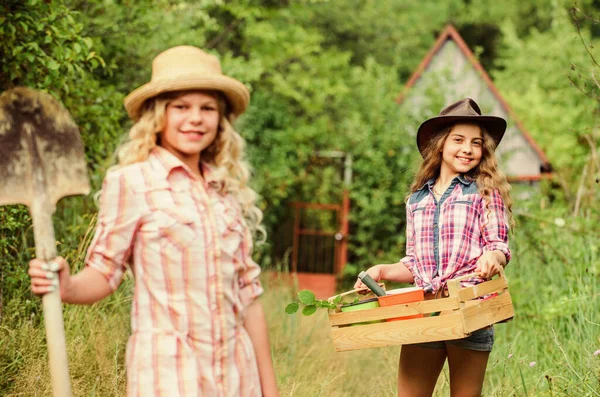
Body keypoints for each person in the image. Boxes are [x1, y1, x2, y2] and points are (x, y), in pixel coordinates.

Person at [28, 45, 279, 397]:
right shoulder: (132, 182)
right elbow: (104, 272)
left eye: (207, 108)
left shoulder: (226, 192)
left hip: (237, 375)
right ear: (157, 115)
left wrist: (270, 390)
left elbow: (248, 296)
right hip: (170, 375)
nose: (196, 118)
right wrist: (66, 286)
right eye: (181, 107)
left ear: (220, 120)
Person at [354, 98, 513, 397]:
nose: (467, 148)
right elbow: (414, 263)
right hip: (425, 308)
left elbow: (498, 245)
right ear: (441, 144)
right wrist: (382, 270)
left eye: (476, 142)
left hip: (470, 307)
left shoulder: (485, 192)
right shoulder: (417, 200)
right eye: (459, 140)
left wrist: (493, 257)